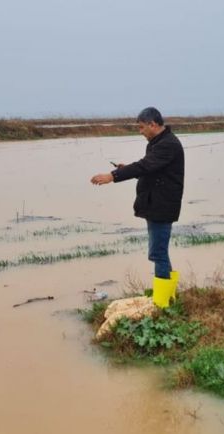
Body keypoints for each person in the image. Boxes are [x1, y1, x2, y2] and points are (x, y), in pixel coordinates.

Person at [90, 107, 185, 307]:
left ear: (153, 124)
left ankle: (163, 302)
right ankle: (167, 297)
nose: (140, 131)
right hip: (156, 204)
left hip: (162, 206)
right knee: (158, 252)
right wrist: (126, 170)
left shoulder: (166, 144)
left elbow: (144, 166)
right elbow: (150, 167)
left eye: (142, 127)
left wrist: (112, 176)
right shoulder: (157, 143)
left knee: (158, 253)